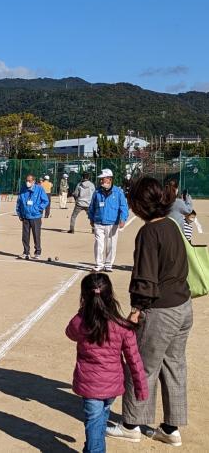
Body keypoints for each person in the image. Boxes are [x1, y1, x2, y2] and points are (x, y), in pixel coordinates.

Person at [107, 177, 193, 447]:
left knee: (140, 367)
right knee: (174, 365)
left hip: (160, 309)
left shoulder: (149, 232)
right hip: (183, 306)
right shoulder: (172, 225)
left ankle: (131, 424)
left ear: (139, 204)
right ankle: (170, 428)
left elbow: (145, 277)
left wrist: (137, 309)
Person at [67, 273, 148, 453]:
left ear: (84, 297)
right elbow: (134, 359)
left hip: (90, 386)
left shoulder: (81, 322)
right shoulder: (122, 326)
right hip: (112, 386)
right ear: (110, 296)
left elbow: (69, 332)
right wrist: (141, 388)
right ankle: (93, 449)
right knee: (101, 419)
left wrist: (83, 311)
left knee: (94, 423)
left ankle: (94, 450)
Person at [88, 169, 128, 272]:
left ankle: (108, 264)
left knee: (111, 245)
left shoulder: (118, 192)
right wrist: (91, 218)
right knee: (99, 243)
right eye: (100, 179)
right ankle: (99, 264)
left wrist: (123, 219)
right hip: (98, 222)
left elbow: (124, 207)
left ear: (109, 179)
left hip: (113, 222)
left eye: (103, 179)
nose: (101, 181)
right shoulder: (97, 192)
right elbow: (91, 206)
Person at [16, 174, 49, 260]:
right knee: (25, 236)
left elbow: (45, 201)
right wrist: (19, 213)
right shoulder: (23, 189)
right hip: (25, 216)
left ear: (34, 181)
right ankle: (26, 252)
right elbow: (19, 202)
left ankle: (37, 252)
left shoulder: (39, 189)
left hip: (36, 216)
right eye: (26, 180)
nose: (28, 182)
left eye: (29, 181)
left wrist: (37, 208)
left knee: (36, 235)